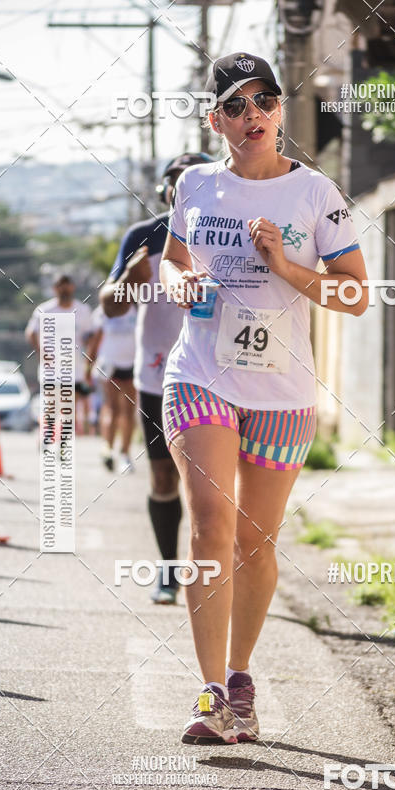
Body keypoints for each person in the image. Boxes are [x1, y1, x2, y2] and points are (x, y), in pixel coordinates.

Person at [159, 52, 368, 744]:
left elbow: (357, 295)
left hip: (282, 391)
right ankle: (212, 692)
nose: (255, 116)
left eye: (266, 102)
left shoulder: (316, 194)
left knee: (255, 541)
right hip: (201, 376)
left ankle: (242, 678)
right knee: (213, 524)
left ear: (281, 110)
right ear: (214, 119)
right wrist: (178, 280)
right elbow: (172, 255)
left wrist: (285, 265)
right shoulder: (194, 185)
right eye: (238, 105)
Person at [99, 153, 214, 604]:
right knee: (164, 477)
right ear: (167, 190)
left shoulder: (226, 230)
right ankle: (168, 572)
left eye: (194, 178)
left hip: (217, 375)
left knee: (217, 484)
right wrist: (127, 278)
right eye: (175, 180)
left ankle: (222, 572)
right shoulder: (143, 236)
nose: (183, 187)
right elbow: (111, 305)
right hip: (157, 378)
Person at [25, 274, 94, 435]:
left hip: (73, 369)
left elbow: (91, 335)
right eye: (60, 286)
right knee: (50, 407)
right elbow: (31, 332)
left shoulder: (83, 310)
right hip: (50, 370)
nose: (64, 289)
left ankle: (64, 444)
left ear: (73, 287)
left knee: (69, 408)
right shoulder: (44, 310)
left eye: (67, 285)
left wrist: (89, 359)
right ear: (55, 289)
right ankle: (47, 437)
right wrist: (41, 353)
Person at [87, 304, 137, 474]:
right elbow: (95, 339)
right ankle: (107, 448)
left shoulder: (138, 307)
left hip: (132, 364)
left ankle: (125, 454)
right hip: (110, 365)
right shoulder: (104, 309)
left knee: (129, 411)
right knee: (112, 407)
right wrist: (89, 365)